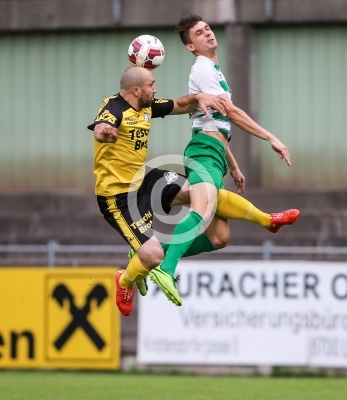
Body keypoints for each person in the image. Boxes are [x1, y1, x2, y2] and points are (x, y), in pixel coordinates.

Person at [88, 66, 299, 316]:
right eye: (151, 84)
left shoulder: (146, 107)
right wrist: (105, 133)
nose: (156, 89)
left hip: (145, 179)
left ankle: (267, 219)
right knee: (153, 255)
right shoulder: (113, 107)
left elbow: (179, 104)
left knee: (201, 190)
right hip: (119, 197)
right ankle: (124, 281)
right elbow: (102, 125)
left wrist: (199, 98)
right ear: (136, 90)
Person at [149, 13, 300, 303]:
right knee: (200, 211)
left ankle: (147, 256)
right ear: (190, 47)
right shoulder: (203, 69)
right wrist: (271, 137)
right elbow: (230, 113)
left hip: (214, 151)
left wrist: (232, 163)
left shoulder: (214, 70)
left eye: (207, 28)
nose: (207, 33)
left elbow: (214, 121)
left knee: (219, 238)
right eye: (199, 33)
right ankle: (167, 268)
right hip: (203, 151)